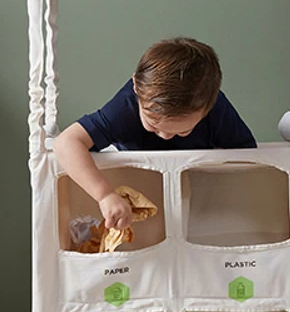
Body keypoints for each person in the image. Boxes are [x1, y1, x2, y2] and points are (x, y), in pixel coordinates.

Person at [53, 37, 255, 231]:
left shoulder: (215, 107)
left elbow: (247, 158)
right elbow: (66, 143)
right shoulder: (125, 107)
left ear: (208, 108)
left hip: (192, 187)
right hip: (137, 182)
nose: (165, 136)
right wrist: (105, 194)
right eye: (153, 125)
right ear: (136, 87)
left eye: (184, 131)